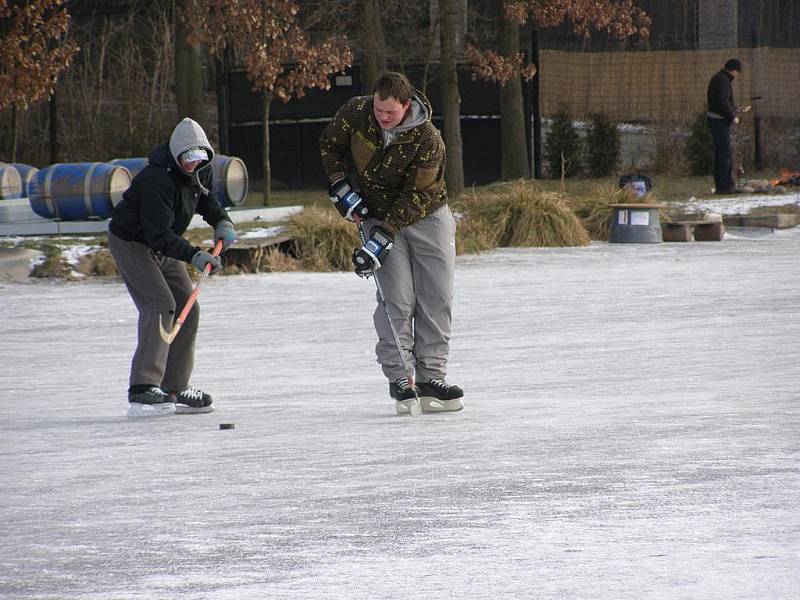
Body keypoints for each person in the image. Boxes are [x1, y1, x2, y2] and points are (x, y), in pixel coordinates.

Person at [319, 71, 463, 415]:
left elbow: (416, 196)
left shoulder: (428, 139)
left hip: (425, 215)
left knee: (436, 297)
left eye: (391, 113)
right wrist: (340, 188)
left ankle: (432, 378)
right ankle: (402, 378)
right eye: (379, 110)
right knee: (396, 299)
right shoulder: (356, 112)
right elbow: (330, 146)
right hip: (375, 212)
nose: (383, 118)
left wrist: (382, 236)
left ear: (407, 106)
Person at [108, 117, 236, 418]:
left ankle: (175, 387)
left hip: (163, 244)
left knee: (186, 306)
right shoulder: (157, 180)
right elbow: (157, 234)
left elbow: (206, 200)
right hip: (133, 242)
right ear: (177, 154)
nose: (194, 164)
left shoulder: (197, 173)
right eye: (188, 158)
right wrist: (194, 255)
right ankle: (143, 388)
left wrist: (222, 220)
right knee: (160, 304)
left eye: (200, 157)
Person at [706, 58, 746, 194]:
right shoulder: (723, 81)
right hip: (719, 121)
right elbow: (722, 102)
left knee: (722, 154)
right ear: (733, 70)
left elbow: (724, 101)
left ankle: (725, 185)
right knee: (724, 154)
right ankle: (725, 187)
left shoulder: (721, 78)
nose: (737, 75)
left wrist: (735, 109)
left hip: (717, 120)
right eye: (737, 72)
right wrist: (732, 116)